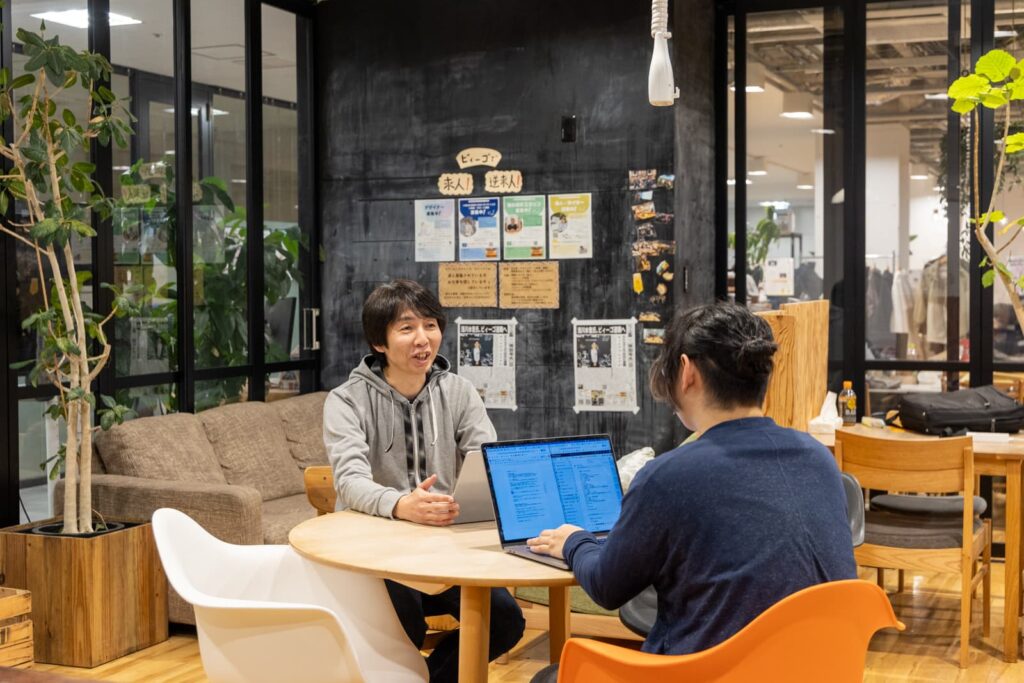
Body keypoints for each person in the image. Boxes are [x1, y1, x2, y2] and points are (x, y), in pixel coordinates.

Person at [527, 301, 857, 657]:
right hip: (820, 667)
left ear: (686, 372)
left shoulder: (668, 477)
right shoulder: (818, 459)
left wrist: (575, 540)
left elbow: (607, 587)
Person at [324, 279, 524, 683]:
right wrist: (401, 505)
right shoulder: (346, 400)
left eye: (431, 325)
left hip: (444, 547)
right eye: (407, 328)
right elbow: (350, 481)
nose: (423, 339)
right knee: (404, 629)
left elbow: (487, 458)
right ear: (379, 342)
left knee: (506, 622)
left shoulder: (459, 392)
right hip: (375, 552)